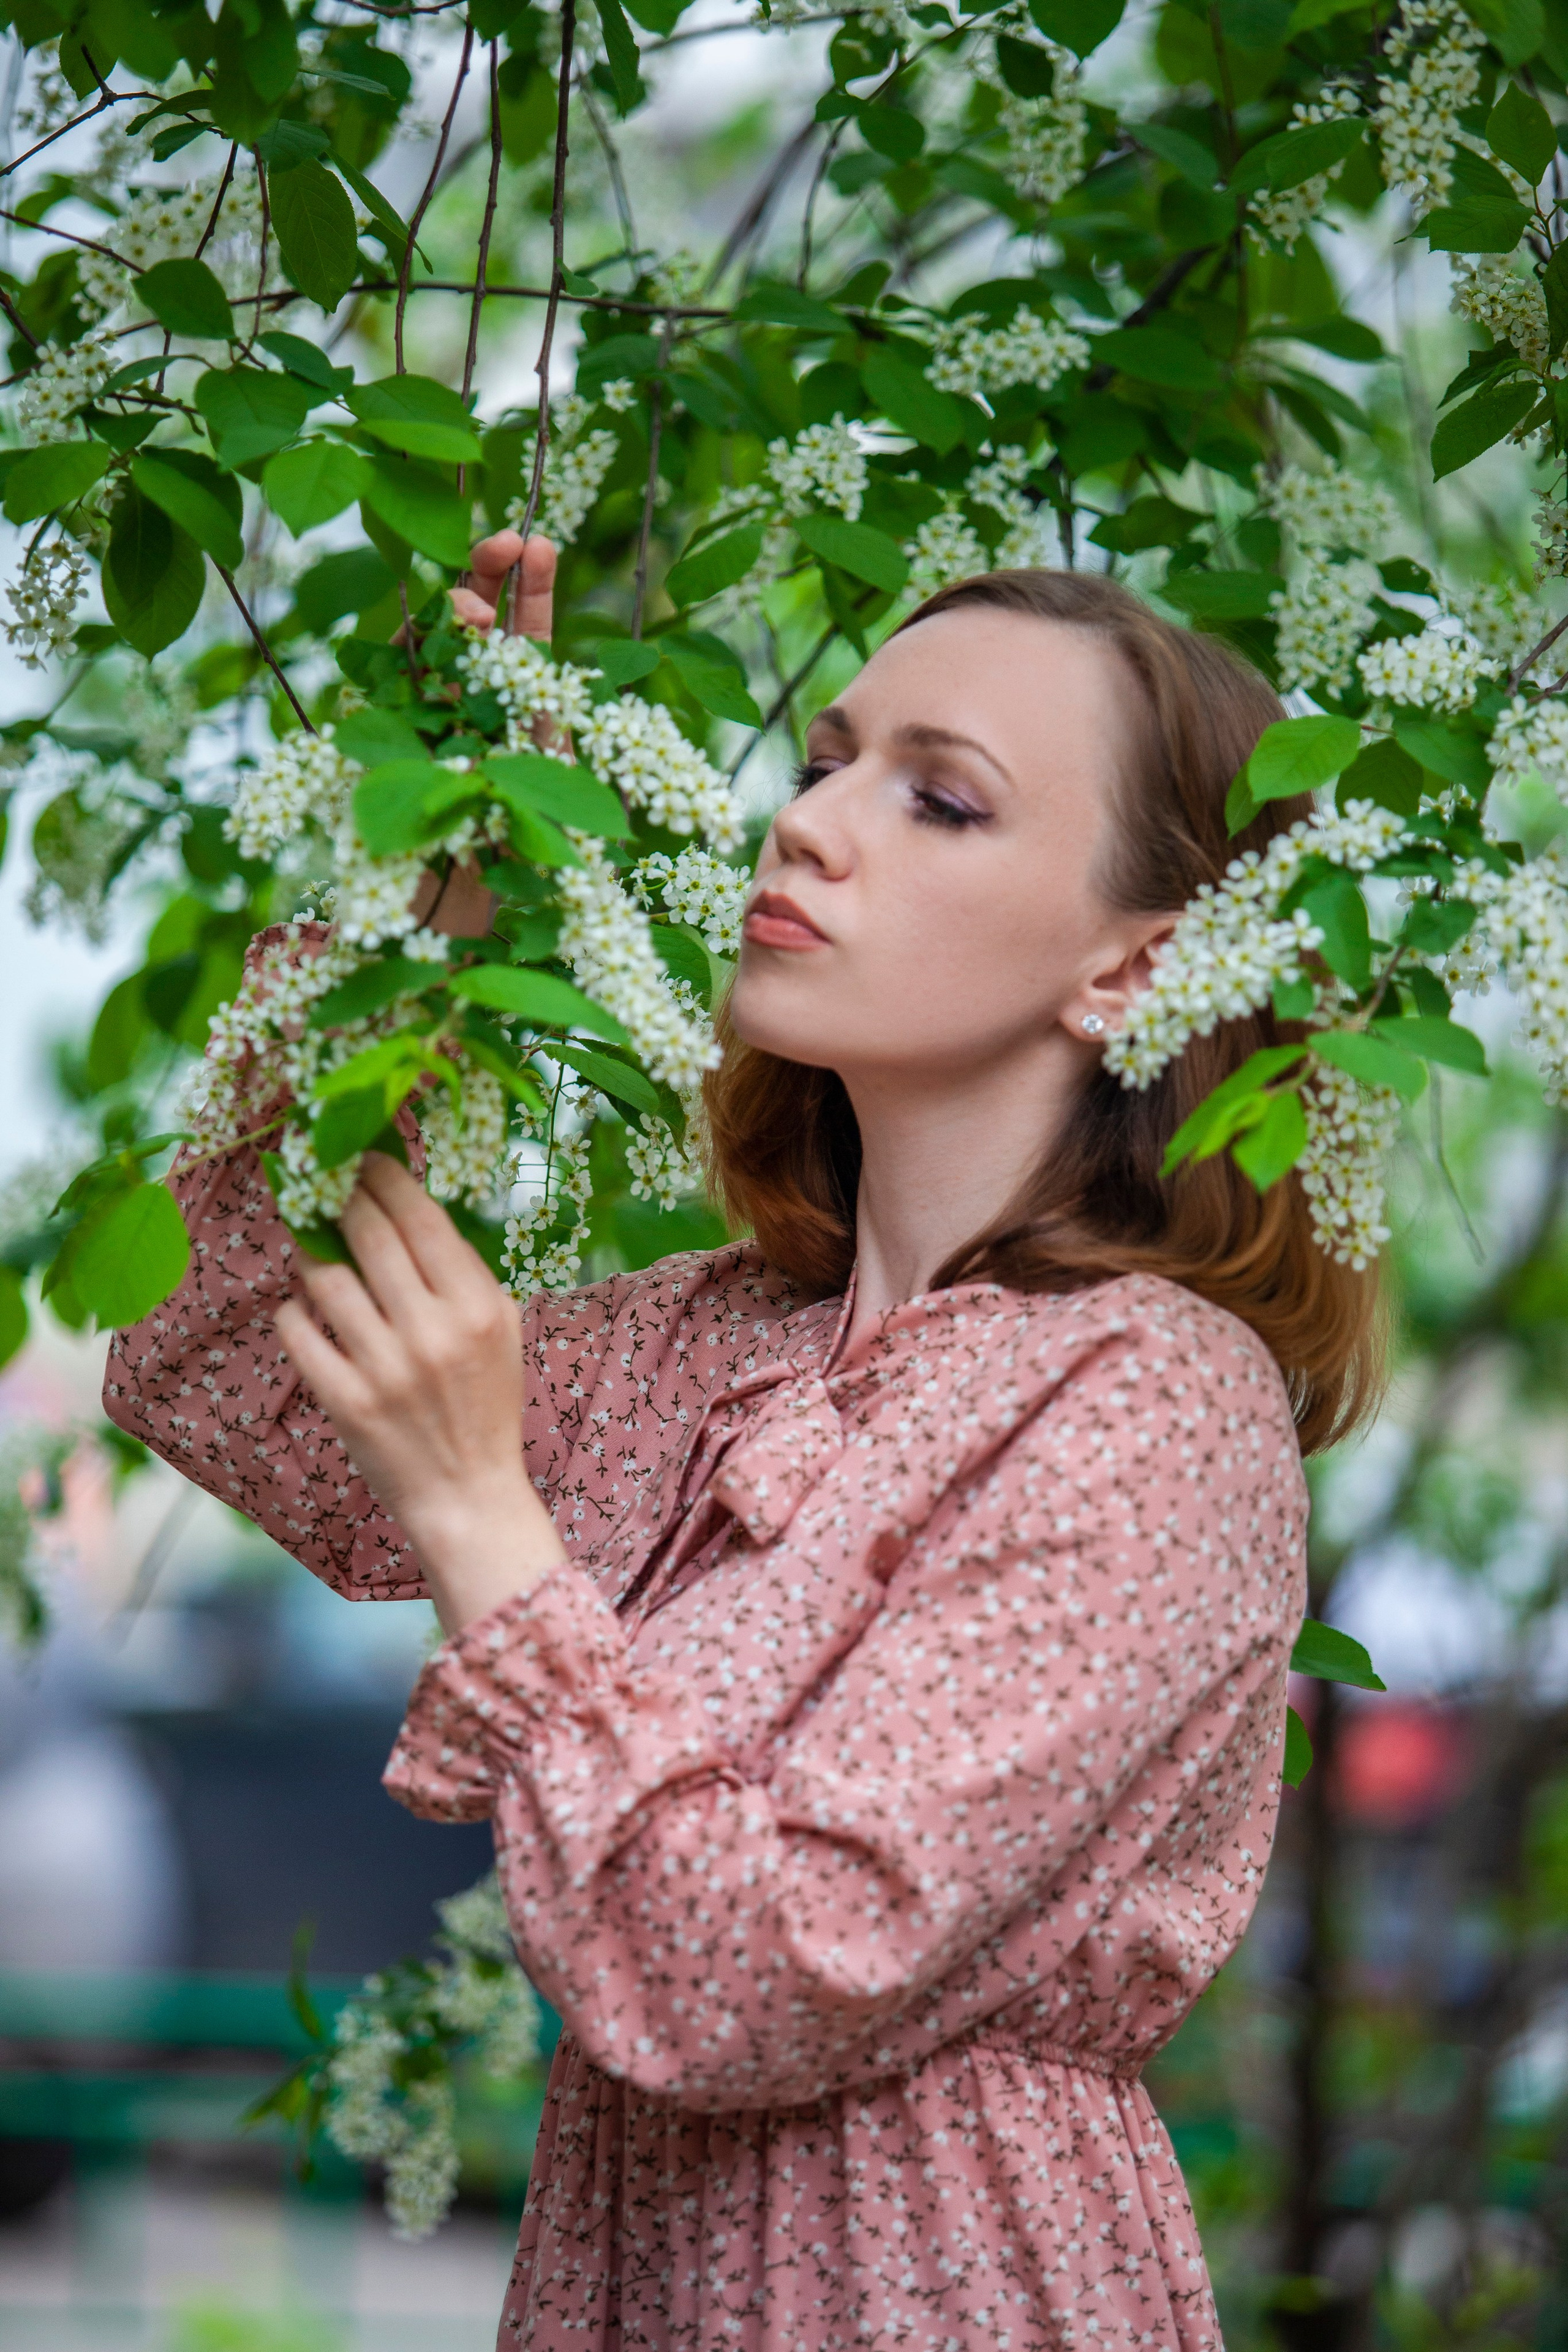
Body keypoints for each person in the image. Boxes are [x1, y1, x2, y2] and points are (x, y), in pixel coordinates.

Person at [105, 530, 1381, 2351]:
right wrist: (401, 925)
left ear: (1131, 971)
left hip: (929, 2288)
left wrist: (483, 1516)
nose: (814, 822)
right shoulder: (708, 1346)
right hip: (635, 2275)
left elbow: (753, 1975)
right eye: (823, 761)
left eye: (940, 800)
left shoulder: (1153, 1397)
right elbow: (213, 1352)